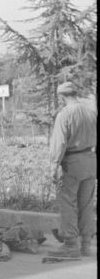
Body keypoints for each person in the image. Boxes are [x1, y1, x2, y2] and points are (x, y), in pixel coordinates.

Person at [48, 81, 97, 258]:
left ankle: (70, 245)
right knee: (86, 204)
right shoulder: (91, 112)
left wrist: (54, 166)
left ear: (62, 97)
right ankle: (85, 245)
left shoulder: (65, 114)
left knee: (68, 202)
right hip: (90, 160)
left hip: (73, 162)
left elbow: (59, 143)